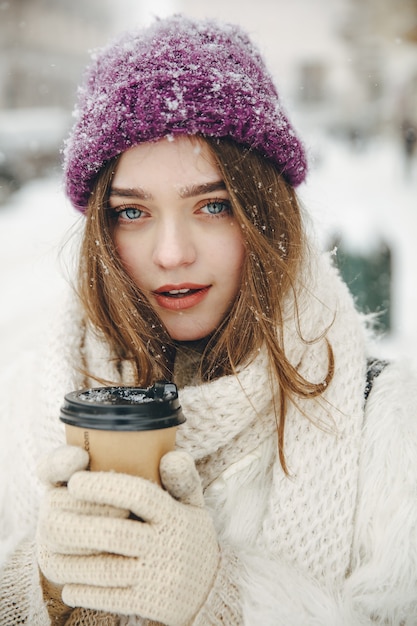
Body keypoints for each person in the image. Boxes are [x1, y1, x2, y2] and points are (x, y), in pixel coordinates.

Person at [0, 13, 416, 626]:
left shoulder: (387, 421)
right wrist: (33, 589)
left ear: (265, 209)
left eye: (213, 205)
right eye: (132, 212)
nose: (172, 253)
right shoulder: (22, 401)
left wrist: (226, 599)